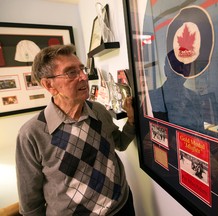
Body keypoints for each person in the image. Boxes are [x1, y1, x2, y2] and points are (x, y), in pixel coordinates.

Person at [15, 44, 136, 216]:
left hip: (122, 208)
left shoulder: (99, 111)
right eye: (71, 72)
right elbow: (30, 204)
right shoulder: (31, 134)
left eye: (82, 69)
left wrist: (131, 121)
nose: (83, 77)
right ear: (49, 85)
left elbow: (120, 143)